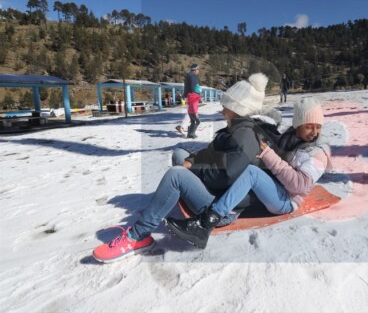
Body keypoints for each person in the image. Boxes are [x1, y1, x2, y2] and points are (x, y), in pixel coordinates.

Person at [93, 73, 271, 263]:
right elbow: (209, 153)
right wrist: (192, 161)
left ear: (238, 108)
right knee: (180, 155)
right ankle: (166, 197)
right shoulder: (235, 129)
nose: (222, 110)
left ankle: (138, 236)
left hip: (224, 208)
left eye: (226, 106)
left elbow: (226, 176)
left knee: (176, 175)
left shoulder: (245, 136)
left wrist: (192, 171)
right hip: (217, 189)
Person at [165, 97, 332, 249]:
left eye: (318, 127)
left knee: (252, 173)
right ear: (298, 125)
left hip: (287, 201)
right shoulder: (290, 139)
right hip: (277, 190)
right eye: (309, 126)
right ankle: (195, 190)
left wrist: (270, 157)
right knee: (246, 169)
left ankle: (206, 222)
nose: (315, 132)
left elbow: (299, 186)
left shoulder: (317, 153)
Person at [177, 63, 201, 138]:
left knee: (191, 112)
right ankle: (183, 127)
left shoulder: (188, 75)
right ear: (195, 70)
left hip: (189, 95)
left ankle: (191, 127)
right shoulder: (193, 76)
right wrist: (198, 93)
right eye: (198, 69)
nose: (199, 71)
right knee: (192, 112)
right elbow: (195, 87)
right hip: (192, 96)